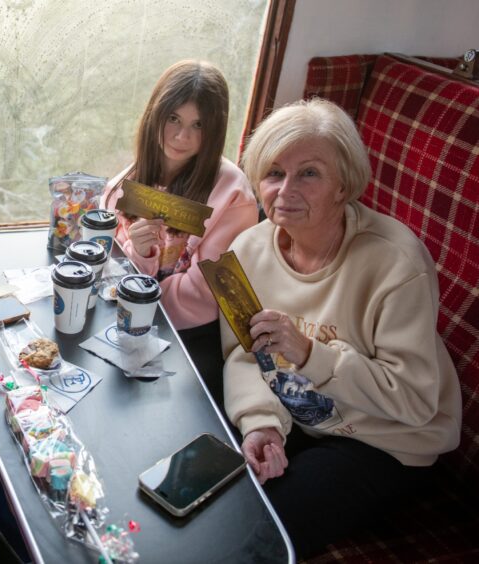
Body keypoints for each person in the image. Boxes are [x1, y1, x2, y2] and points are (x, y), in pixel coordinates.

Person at [224, 98, 462, 557]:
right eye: (273, 173)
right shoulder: (245, 250)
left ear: (343, 185)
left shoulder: (397, 263)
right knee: (215, 497)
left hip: (383, 441)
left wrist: (313, 355)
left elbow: (414, 401)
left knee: (261, 534)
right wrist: (261, 425)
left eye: (309, 173)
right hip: (296, 417)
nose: (285, 190)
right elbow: (242, 353)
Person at [102, 60, 258, 398]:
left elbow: (206, 297)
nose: (181, 136)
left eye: (197, 125)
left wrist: (135, 295)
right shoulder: (130, 178)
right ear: (155, 116)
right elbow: (112, 260)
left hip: (192, 336)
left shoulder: (233, 195)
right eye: (173, 118)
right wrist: (141, 255)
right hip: (132, 316)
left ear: (214, 131)